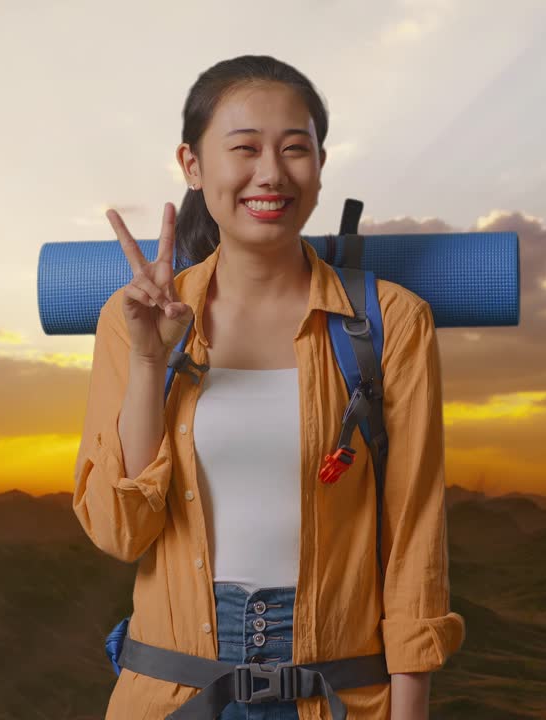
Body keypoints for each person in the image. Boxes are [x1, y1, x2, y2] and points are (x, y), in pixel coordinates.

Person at [74, 54, 463, 720]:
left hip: (340, 694)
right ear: (192, 165)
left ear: (319, 162)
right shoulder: (132, 317)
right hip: (172, 695)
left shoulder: (390, 321)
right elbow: (121, 535)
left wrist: (411, 708)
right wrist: (147, 363)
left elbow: (414, 532)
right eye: (244, 148)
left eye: (294, 149)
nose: (271, 174)